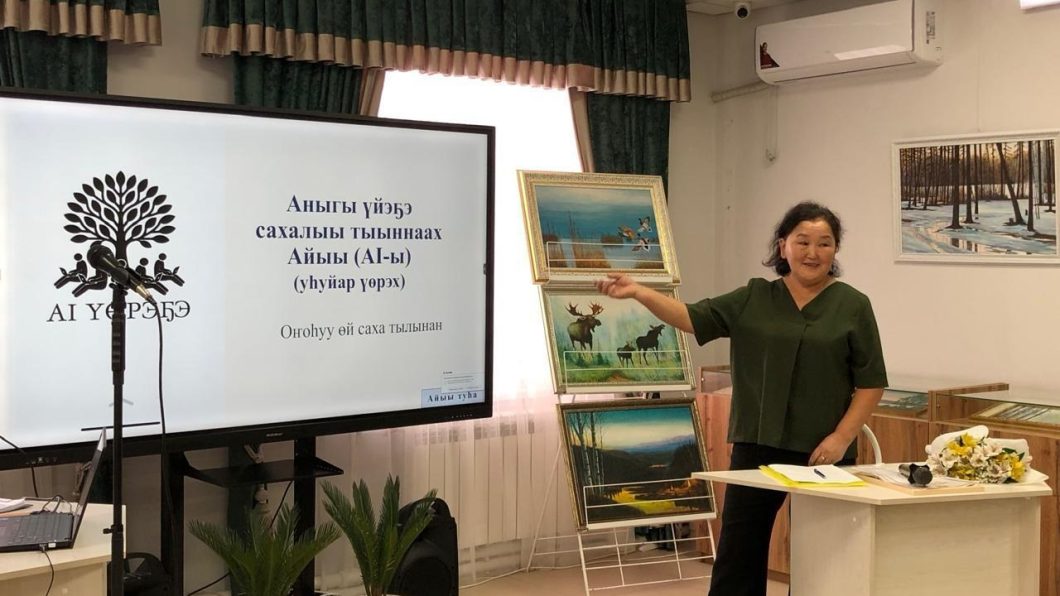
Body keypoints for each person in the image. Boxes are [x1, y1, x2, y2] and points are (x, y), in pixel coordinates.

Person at [595, 201, 887, 596]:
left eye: (824, 243)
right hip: (757, 444)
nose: (813, 252)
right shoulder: (753, 296)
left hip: (824, 451)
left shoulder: (853, 305)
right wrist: (639, 292)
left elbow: (871, 383)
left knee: (824, 554)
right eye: (802, 241)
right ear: (783, 246)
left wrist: (841, 438)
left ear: (835, 250)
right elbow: (692, 317)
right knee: (739, 552)